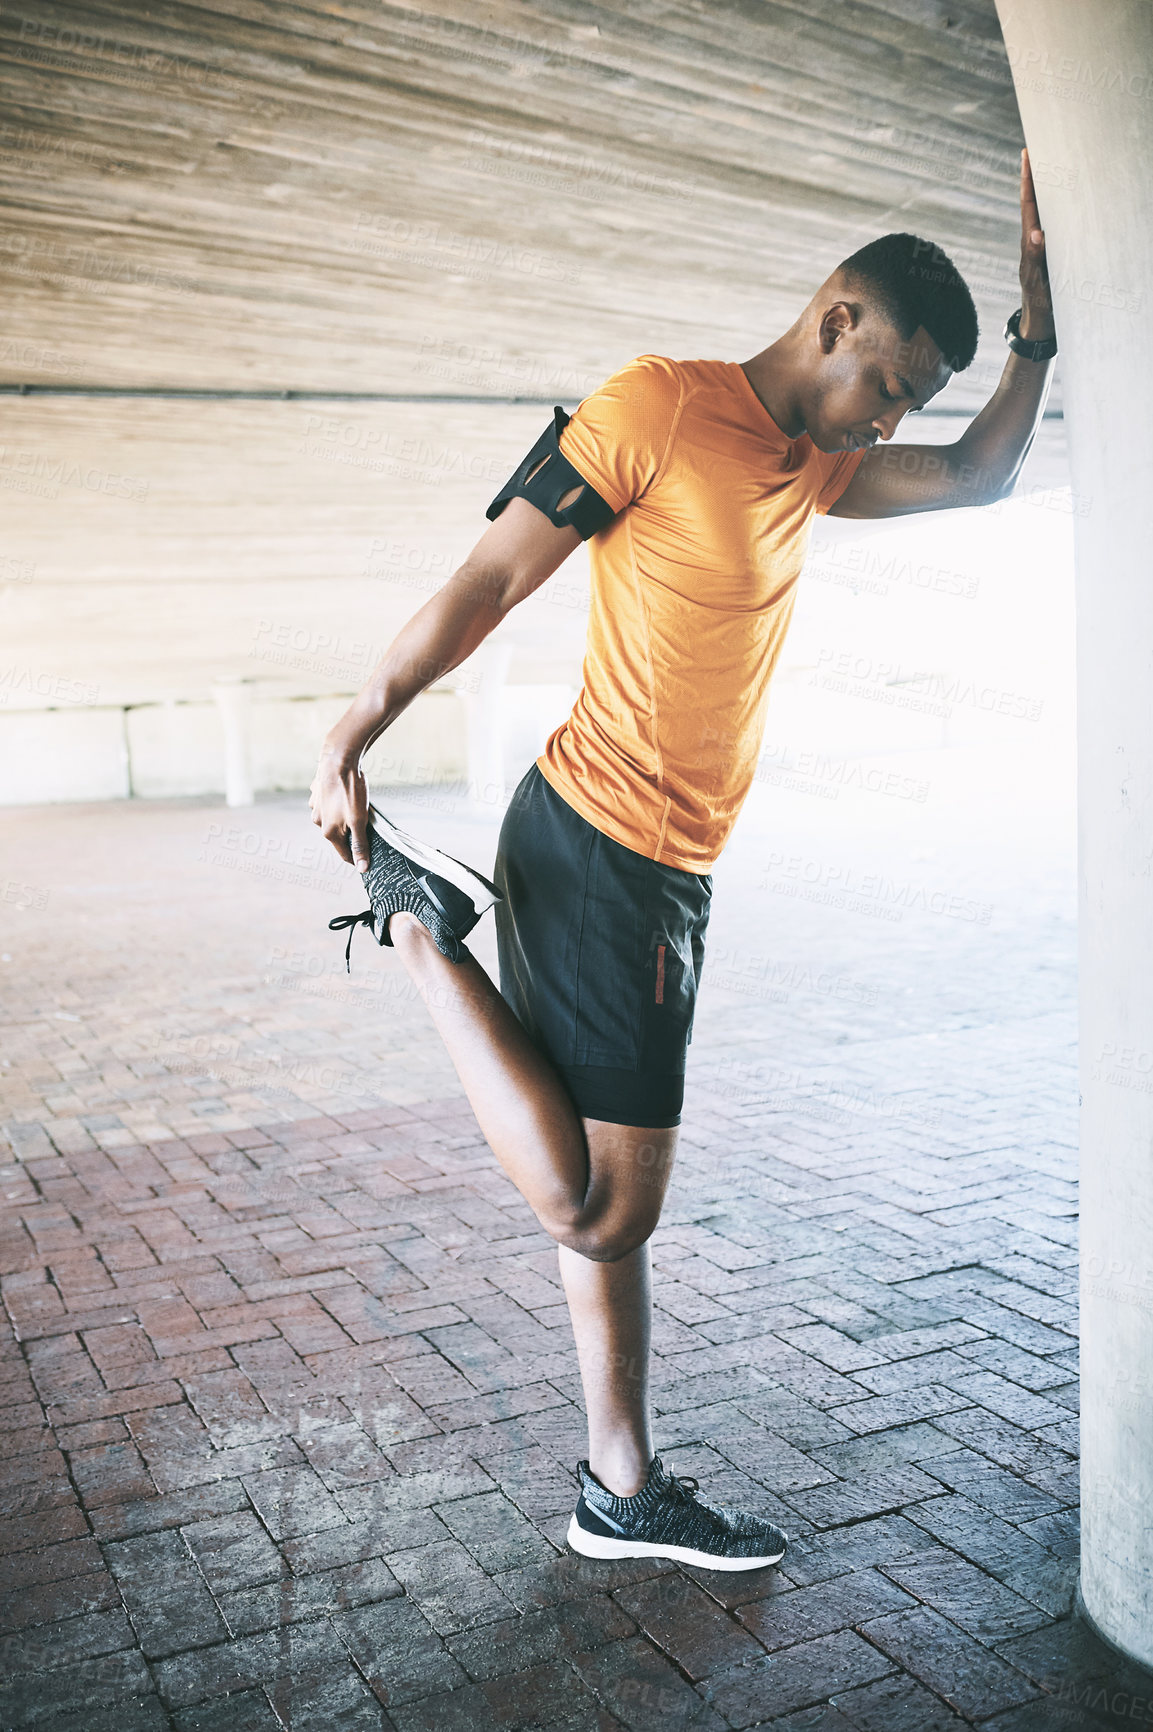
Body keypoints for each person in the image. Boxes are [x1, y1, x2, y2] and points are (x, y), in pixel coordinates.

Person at [310, 149, 1055, 1571]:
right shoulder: (656, 405)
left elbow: (978, 474)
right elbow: (490, 577)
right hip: (601, 838)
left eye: (902, 401)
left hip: (664, 865)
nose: (888, 415)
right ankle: (414, 927)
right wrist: (358, 721)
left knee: (603, 1212)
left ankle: (617, 1486)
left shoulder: (810, 468)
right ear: (833, 318)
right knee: (605, 1202)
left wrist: (1034, 326)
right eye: (884, 379)